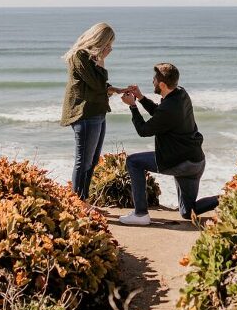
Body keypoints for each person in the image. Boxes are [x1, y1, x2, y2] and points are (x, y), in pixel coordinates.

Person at [118, 63, 219, 225]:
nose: (152, 81)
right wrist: (142, 98)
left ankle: (140, 214)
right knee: (188, 212)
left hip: (181, 163)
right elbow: (161, 115)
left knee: (133, 162)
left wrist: (133, 106)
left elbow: (144, 130)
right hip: (195, 162)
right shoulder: (180, 94)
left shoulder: (169, 108)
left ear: (163, 85)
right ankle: (225, 198)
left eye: (155, 80)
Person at [60, 23, 127, 201]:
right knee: (83, 161)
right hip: (85, 114)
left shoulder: (89, 58)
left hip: (97, 112)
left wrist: (114, 90)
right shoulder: (80, 56)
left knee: (92, 160)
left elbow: (96, 86)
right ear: (99, 40)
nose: (110, 48)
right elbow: (96, 84)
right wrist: (102, 62)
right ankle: (78, 203)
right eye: (108, 44)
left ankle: (83, 200)